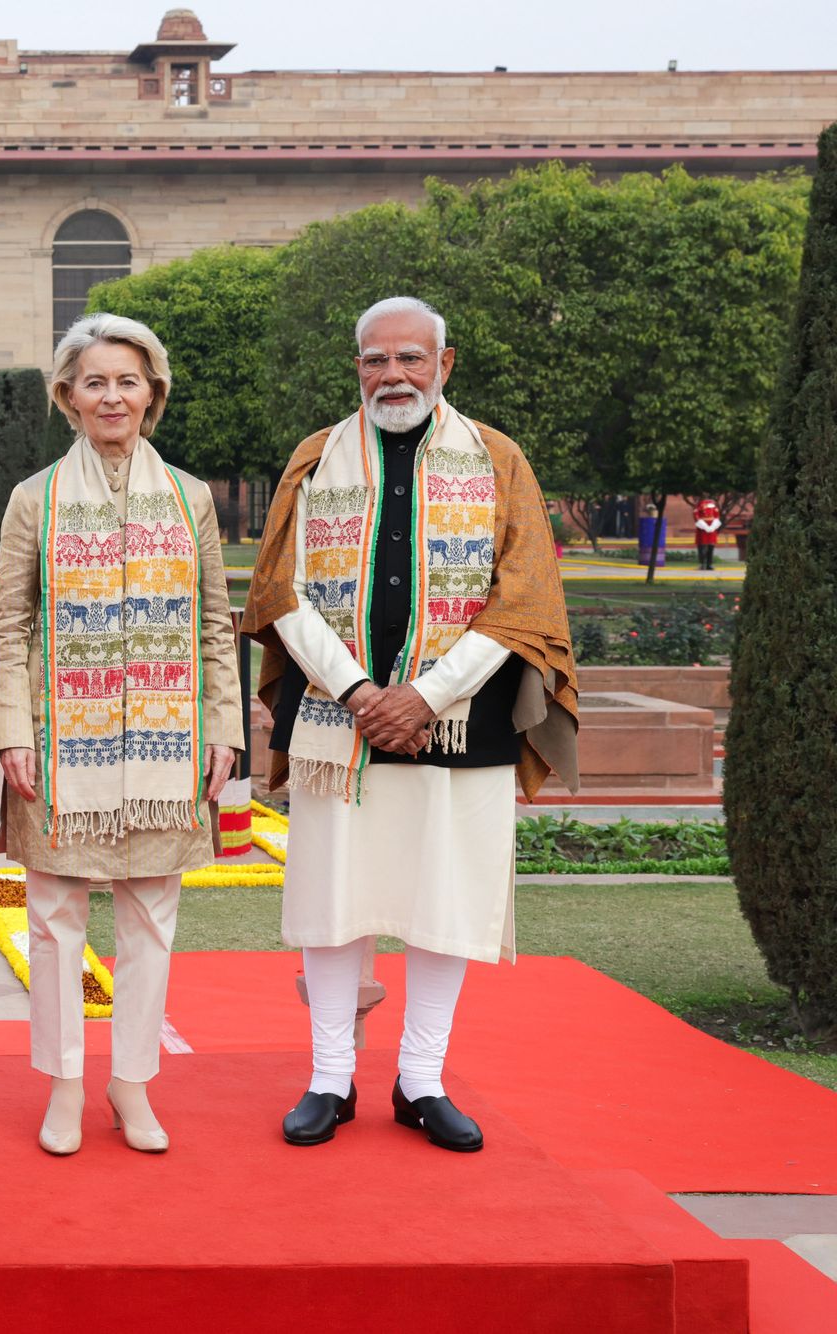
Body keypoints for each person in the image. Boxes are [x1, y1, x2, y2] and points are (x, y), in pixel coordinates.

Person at [242, 296, 579, 1153]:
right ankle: (329, 1078)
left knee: (445, 900)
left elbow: (524, 600)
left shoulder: (497, 459)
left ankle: (422, 1080)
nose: (391, 376)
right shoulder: (316, 460)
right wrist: (359, 691)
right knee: (332, 900)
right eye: (374, 361)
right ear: (356, 366)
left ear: (444, 363)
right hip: (335, 717)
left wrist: (425, 696)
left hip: (464, 719)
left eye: (409, 359)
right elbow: (282, 593)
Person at [0, 313, 242, 1157]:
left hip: (168, 742)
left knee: (151, 920)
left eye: (128, 380)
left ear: (153, 393)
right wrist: (12, 732)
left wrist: (221, 729)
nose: (112, 396)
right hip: (63, 747)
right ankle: (64, 1084)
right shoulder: (35, 499)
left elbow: (214, 624)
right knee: (55, 921)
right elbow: (10, 626)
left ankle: (130, 1085)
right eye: (94, 381)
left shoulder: (191, 497)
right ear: (67, 396)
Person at [693, 498, 723, 571]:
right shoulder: (698, 508)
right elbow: (696, 517)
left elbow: (717, 516)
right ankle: (702, 564)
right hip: (702, 529)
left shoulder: (714, 508)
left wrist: (712, 526)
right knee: (702, 546)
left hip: (712, 528)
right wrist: (705, 526)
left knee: (711, 546)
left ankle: (709, 564)